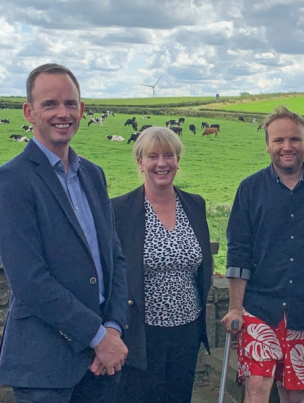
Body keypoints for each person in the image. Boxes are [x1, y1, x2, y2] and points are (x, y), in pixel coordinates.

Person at [0, 63, 128, 402]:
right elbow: (30, 281)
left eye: (70, 103)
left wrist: (113, 328)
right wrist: (98, 337)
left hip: (101, 363)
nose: (62, 113)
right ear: (29, 111)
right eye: (49, 104)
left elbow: (115, 259)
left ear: (82, 109)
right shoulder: (11, 181)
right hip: (46, 368)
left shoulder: (93, 175)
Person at [222, 105, 304, 403]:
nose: (286, 147)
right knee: (257, 388)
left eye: (294, 139)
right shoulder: (249, 189)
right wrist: (235, 308)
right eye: (279, 140)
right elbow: (239, 253)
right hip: (260, 307)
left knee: (294, 392)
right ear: (267, 145)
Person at [112, 127, 213, 403]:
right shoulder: (120, 210)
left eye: (169, 155)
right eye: (152, 156)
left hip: (187, 330)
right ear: (140, 162)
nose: (161, 163)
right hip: (142, 334)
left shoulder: (194, 204)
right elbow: (113, 274)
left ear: (177, 160)